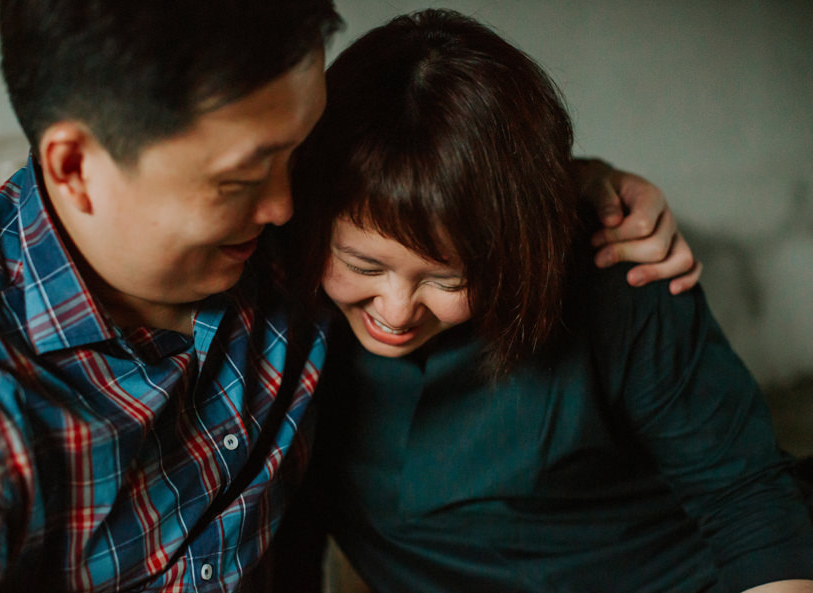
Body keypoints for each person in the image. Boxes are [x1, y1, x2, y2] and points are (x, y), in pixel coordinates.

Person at [0, 2, 698, 591]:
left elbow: (433, 183)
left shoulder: (281, 234)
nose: (290, 205)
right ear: (75, 168)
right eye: (241, 178)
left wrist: (583, 184)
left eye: (302, 150)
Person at [278, 9, 813, 593]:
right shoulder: (274, 317)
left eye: (449, 280)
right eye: (363, 266)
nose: (397, 309)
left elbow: (750, 505)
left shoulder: (620, 275)